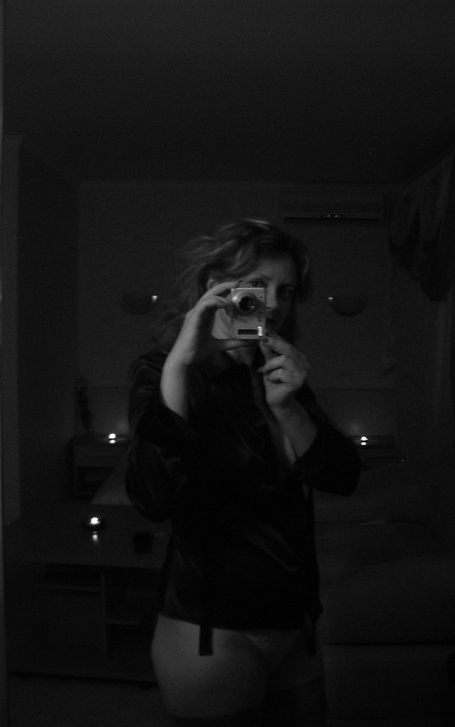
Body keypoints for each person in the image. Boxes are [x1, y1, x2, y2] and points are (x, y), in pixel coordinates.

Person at [126, 218, 361, 726]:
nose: (273, 303)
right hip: (211, 629)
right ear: (215, 288)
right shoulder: (163, 371)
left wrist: (289, 407)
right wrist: (180, 367)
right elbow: (153, 498)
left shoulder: (279, 371)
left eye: (287, 291)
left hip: (294, 620)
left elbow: (343, 477)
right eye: (258, 285)